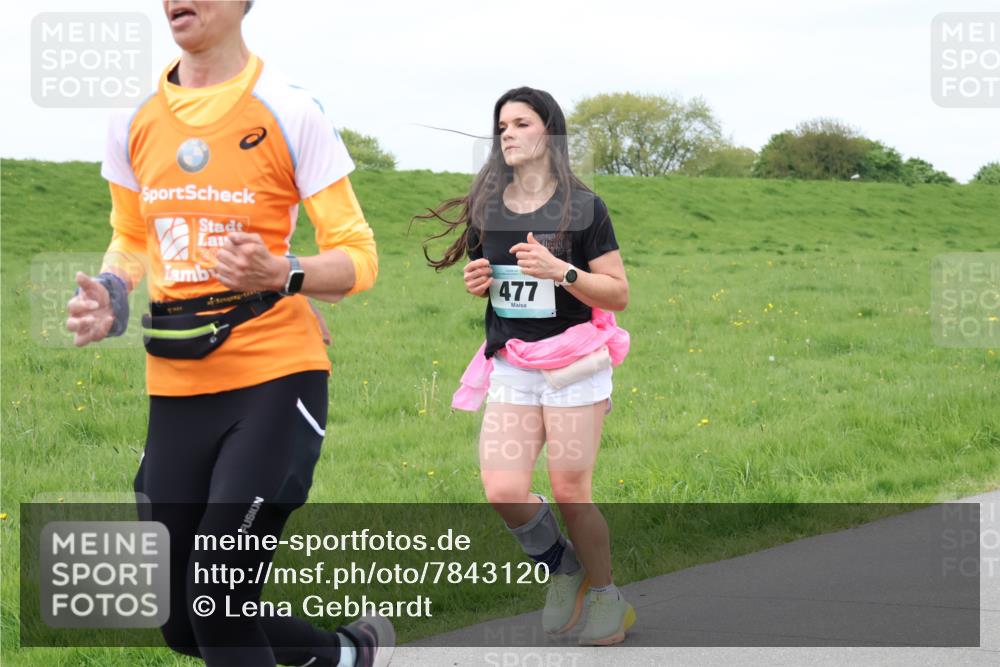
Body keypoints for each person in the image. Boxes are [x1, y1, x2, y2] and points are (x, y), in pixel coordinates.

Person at [64, 2, 393, 665]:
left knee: (217, 592)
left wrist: (283, 269)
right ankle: (350, 654)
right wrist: (116, 294)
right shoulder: (131, 118)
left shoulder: (290, 111)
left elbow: (360, 257)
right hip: (177, 386)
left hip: (276, 376)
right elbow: (131, 237)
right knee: (182, 622)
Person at [417, 87, 635, 645]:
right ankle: (564, 568)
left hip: (574, 366)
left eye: (520, 123)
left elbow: (617, 294)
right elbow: (488, 278)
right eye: (501, 126)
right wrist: (477, 283)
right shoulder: (488, 205)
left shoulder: (583, 207)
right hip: (513, 363)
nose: (507, 133)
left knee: (569, 490)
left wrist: (561, 271)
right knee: (503, 489)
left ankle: (609, 598)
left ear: (549, 133)